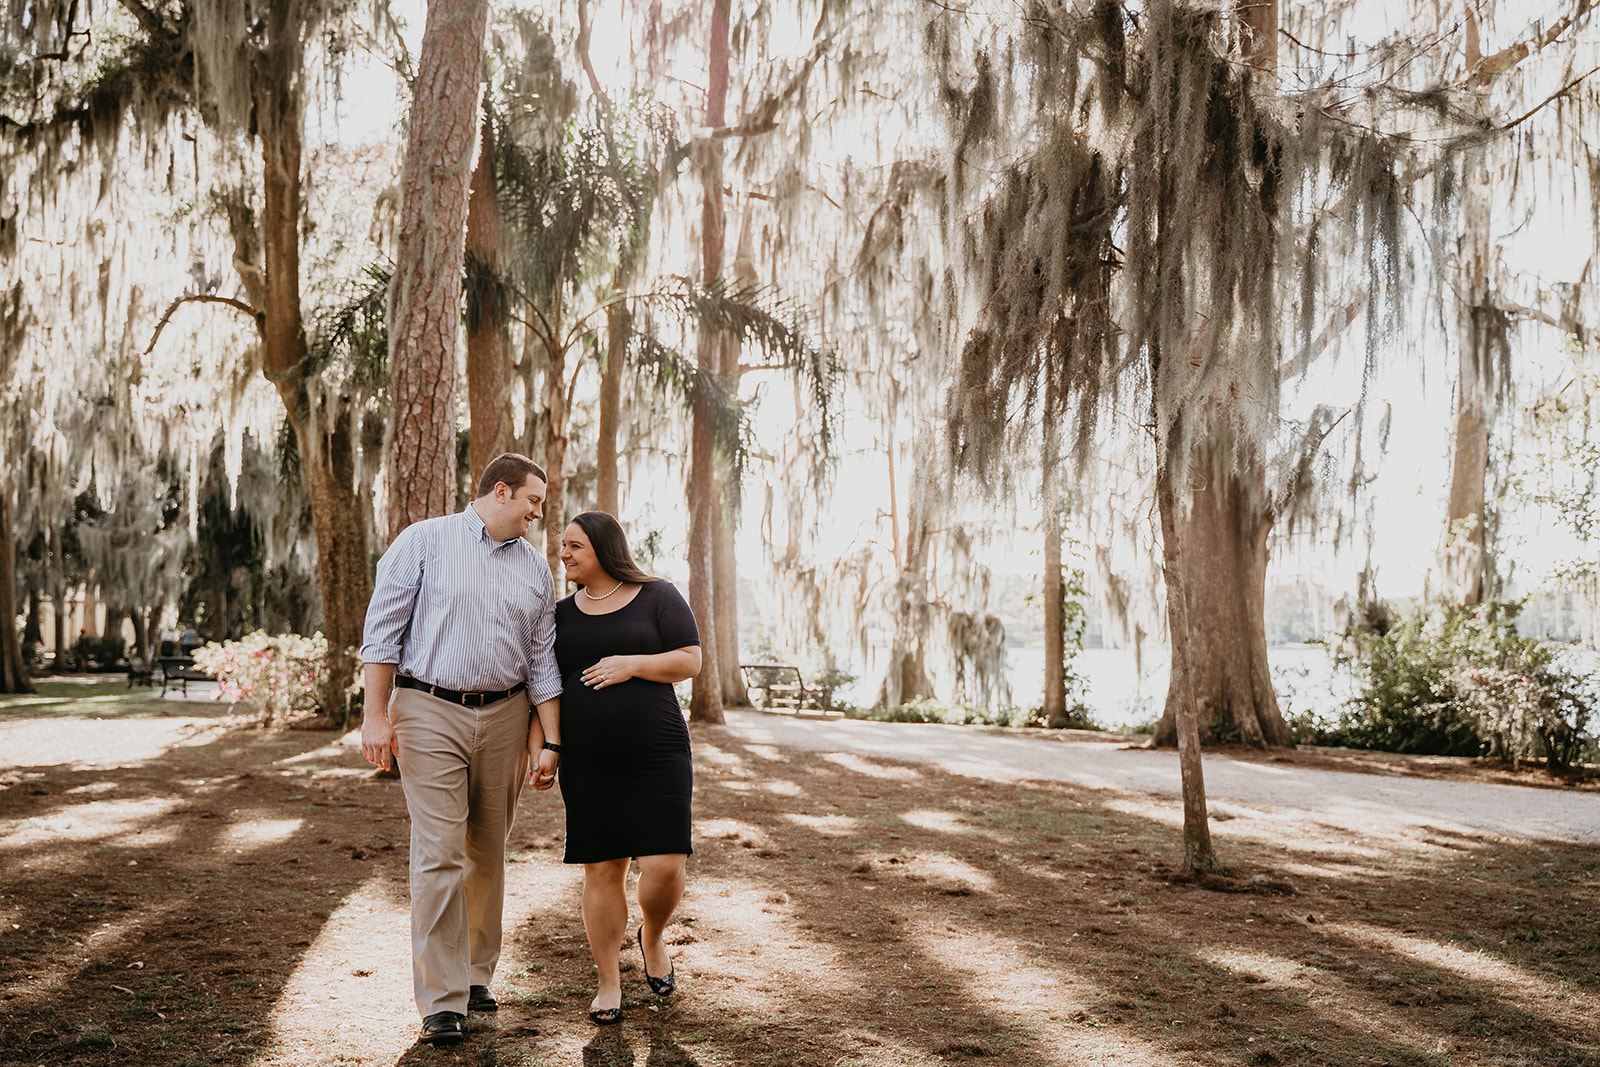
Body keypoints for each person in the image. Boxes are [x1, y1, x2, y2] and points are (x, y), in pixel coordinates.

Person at [359, 453, 563, 1047]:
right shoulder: (423, 542)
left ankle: (476, 975)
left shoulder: (535, 570)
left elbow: (541, 661)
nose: (538, 514)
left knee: (486, 850)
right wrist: (376, 716)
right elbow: (383, 633)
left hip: (505, 713)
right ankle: (441, 999)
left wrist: (551, 739)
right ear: (501, 492)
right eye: (533, 501)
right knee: (440, 850)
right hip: (428, 709)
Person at [554, 511, 701, 1025]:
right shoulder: (560, 615)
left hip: (658, 753)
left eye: (574, 546)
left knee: (664, 865)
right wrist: (546, 746)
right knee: (603, 868)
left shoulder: (658, 595)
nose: (565, 553)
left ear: (603, 548)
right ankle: (608, 980)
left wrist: (633, 663)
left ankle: (653, 937)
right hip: (588, 759)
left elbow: (689, 661)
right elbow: (544, 687)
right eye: (564, 545)